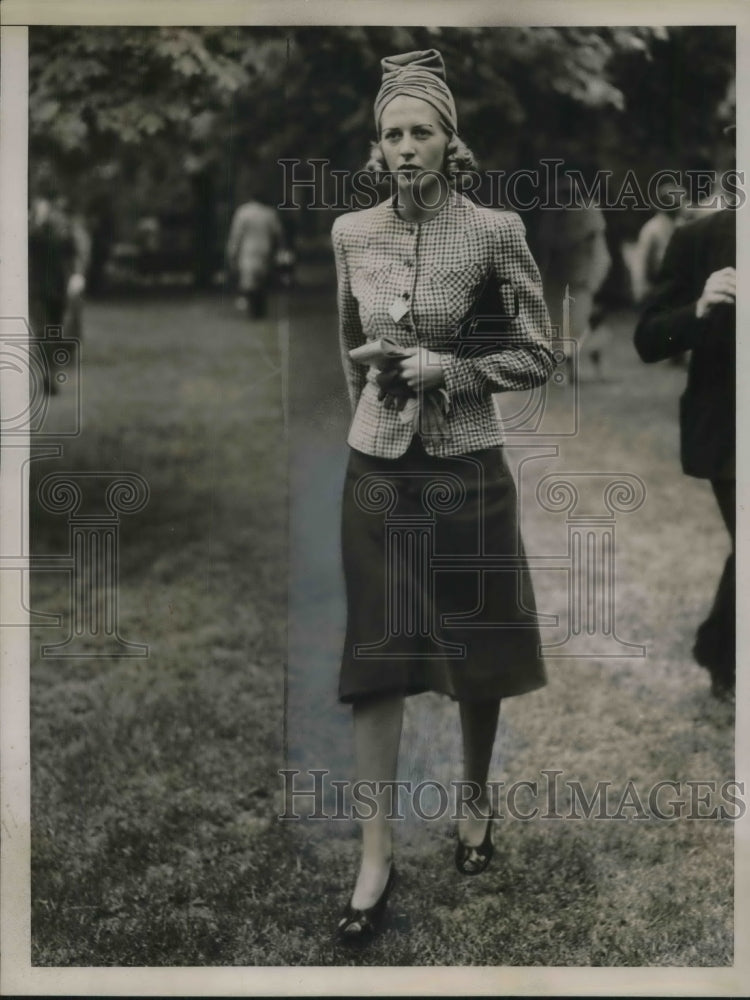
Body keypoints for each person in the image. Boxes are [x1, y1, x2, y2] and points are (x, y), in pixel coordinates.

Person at [331, 49, 556, 942]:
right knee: (374, 659)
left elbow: (539, 354)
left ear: (449, 139)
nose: (406, 147)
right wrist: (378, 384)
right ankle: (374, 855)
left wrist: (451, 370)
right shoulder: (352, 233)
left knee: (478, 648)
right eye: (392, 134)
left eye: (422, 131)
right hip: (379, 470)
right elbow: (344, 335)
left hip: (466, 468)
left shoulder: (496, 229)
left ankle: (472, 805)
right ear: (377, 148)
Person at [633, 196, 735, 699]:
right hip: (732, 427)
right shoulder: (699, 239)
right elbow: (648, 339)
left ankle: (720, 647)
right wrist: (698, 307)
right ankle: (724, 657)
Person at [533, 166, 611, 380]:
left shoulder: (588, 212)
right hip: (559, 281)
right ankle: (570, 369)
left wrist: (596, 279)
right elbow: (547, 248)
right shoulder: (553, 217)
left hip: (583, 278)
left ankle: (594, 369)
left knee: (581, 325)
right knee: (561, 326)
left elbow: (598, 251)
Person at [28, 178, 89, 395]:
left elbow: (73, 251)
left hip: (58, 289)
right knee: (43, 332)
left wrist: (77, 275)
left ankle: (51, 374)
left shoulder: (61, 228)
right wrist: (36, 221)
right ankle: (48, 377)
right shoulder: (30, 229)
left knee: (53, 332)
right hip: (36, 290)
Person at [225, 193, 284, 319]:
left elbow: (236, 234)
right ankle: (259, 309)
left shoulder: (243, 212)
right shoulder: (269, 213)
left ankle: (253, 310)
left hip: (247, 249)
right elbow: (278, 233)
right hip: (265, 249)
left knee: (249, 280)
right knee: (261, 279)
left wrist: (231, 252)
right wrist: (279, 250)